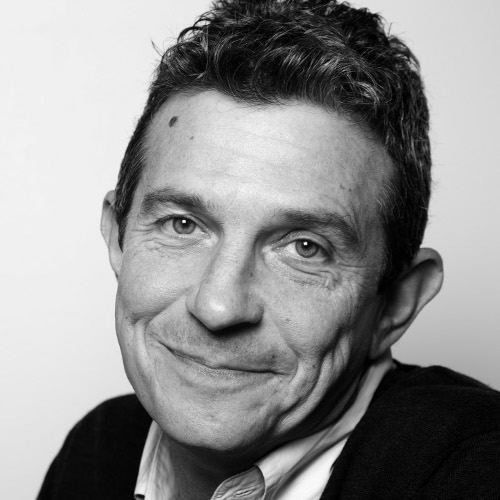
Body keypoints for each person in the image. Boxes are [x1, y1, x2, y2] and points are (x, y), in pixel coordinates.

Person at [37, 0, 500, 498]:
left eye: (305, 248)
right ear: (119, 237)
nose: (218, 307)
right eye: (183, 224)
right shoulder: (97, 451)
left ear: (397, 304)